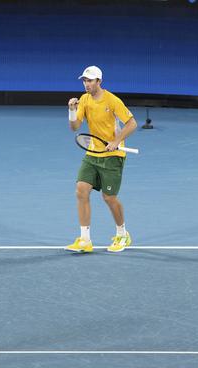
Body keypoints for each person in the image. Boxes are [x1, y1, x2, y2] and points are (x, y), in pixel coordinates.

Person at [65, 65, 137, 253]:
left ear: (99, 82)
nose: (86, 84)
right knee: (81, 190)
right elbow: (75, 127)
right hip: (93, 153)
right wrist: (72, 110)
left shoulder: (112, 101)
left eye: (90, 80)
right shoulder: (84, 99)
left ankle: (123, 234)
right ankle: (85, 240)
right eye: (84, 80)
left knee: (109, 197)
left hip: (113, 156)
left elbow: (132, 124)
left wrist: (116, 141)